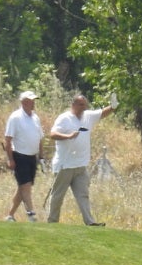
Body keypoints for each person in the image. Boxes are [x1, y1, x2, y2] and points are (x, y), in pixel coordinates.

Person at [46, 93, 117, 227]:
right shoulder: (64, 118)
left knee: (83, 195)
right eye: (80, 105)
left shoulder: (88, 116)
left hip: (80, 165)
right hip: (65, 165)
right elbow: (53, 134)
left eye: (85, 105)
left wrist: (113, 107)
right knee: (58, 195)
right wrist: (68, 136)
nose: (83, 108)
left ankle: (90, 222)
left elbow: (102, 113)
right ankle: (52, 221)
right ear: (73, 105)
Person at [3, 90, 45, 221]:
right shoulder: (15, 117)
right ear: (24, 102)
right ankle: (31, 214)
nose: (33, 103)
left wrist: (41, 156)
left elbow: (40, 138)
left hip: (32, 157)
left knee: (23, 187)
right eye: (30, 101)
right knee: (25, 185)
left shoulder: (35, 117)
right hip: (19, 155)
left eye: (33, 101)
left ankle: (10, 215)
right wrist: (10, 159)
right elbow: (8, 140)